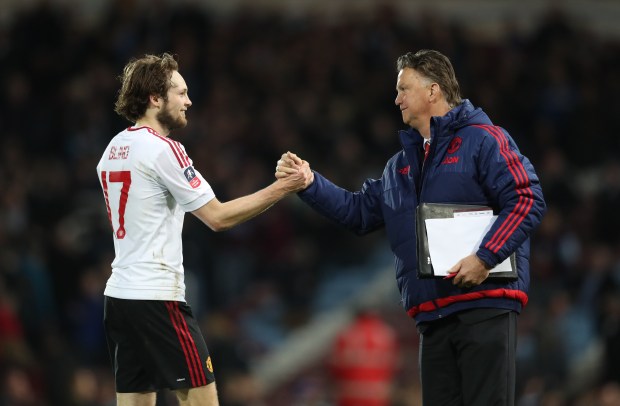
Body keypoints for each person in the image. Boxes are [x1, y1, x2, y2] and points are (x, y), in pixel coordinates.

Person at [276, 49, 546, 405]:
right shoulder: (399, 166)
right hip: (432, 317)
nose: (396, 97)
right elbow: (358, 212)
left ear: (433, 91)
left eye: (404, 88)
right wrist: (309, 182)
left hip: (484, 307)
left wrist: (484, 258)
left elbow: (527, 199)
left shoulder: (485, 140)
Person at [96, 53, 312, 406]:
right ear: (154, 98)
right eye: (180, 93)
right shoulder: (164, 149)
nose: (188, 101)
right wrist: (284, 188)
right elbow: (218, 217)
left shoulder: (112, 149)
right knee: (202, 400)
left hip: (119, 297)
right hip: (156, 298)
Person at [328, 307, 399, 406]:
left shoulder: (346, 333)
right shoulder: (387, 333)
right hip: (377, 394)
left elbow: (334, 365)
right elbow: (394, 364)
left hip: (350, 393)